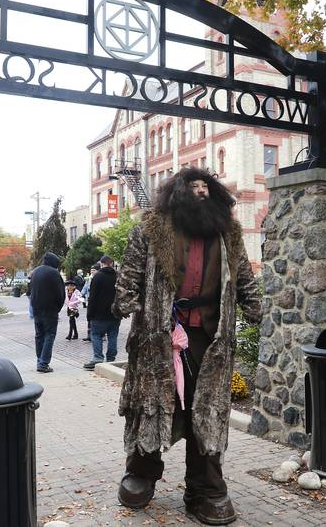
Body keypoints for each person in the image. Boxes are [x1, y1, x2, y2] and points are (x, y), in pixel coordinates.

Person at [113, 167, 262, 525]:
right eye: (193, 186)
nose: (200, 192)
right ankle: (142, 471)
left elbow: (243, 276)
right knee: (152, 405)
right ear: (177, 192)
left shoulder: (228, 234)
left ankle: (205, 487)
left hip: (209, 340)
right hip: (158, 338)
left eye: (205, 186)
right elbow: (130, 274)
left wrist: (256, 306)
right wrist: (126, 300)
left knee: (206, 411)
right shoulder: (152, 228)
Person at [30, 252, 66, 373]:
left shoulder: (36, 272)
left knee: (39, 335)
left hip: (36, 308)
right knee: (49, 335)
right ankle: (43, 363)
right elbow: (60, 294)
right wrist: (57, 308)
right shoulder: (54, 273)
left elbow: (31, 290)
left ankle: (40, 360)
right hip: (50, 310)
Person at [84, 256, 120, 370]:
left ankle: (98, 358)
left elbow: (93, 297)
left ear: (101, 263)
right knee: (113, 336)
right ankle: (111, 358)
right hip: (114, 313)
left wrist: (89, 314)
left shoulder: (97, 277)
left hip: (99, 314)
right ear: (112, 263)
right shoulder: (117, 276)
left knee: (96, 335)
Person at [80, 264, 99, 342]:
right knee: (89, 317)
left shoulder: (99, 279)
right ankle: (89, 335)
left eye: (94, 270)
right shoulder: (89, 279)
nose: (92, 271)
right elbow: (85, 288)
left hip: (97, 302)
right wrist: (81, 294)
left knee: (97, 318)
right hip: (89, 301)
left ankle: (100, 334)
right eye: (91, 270)